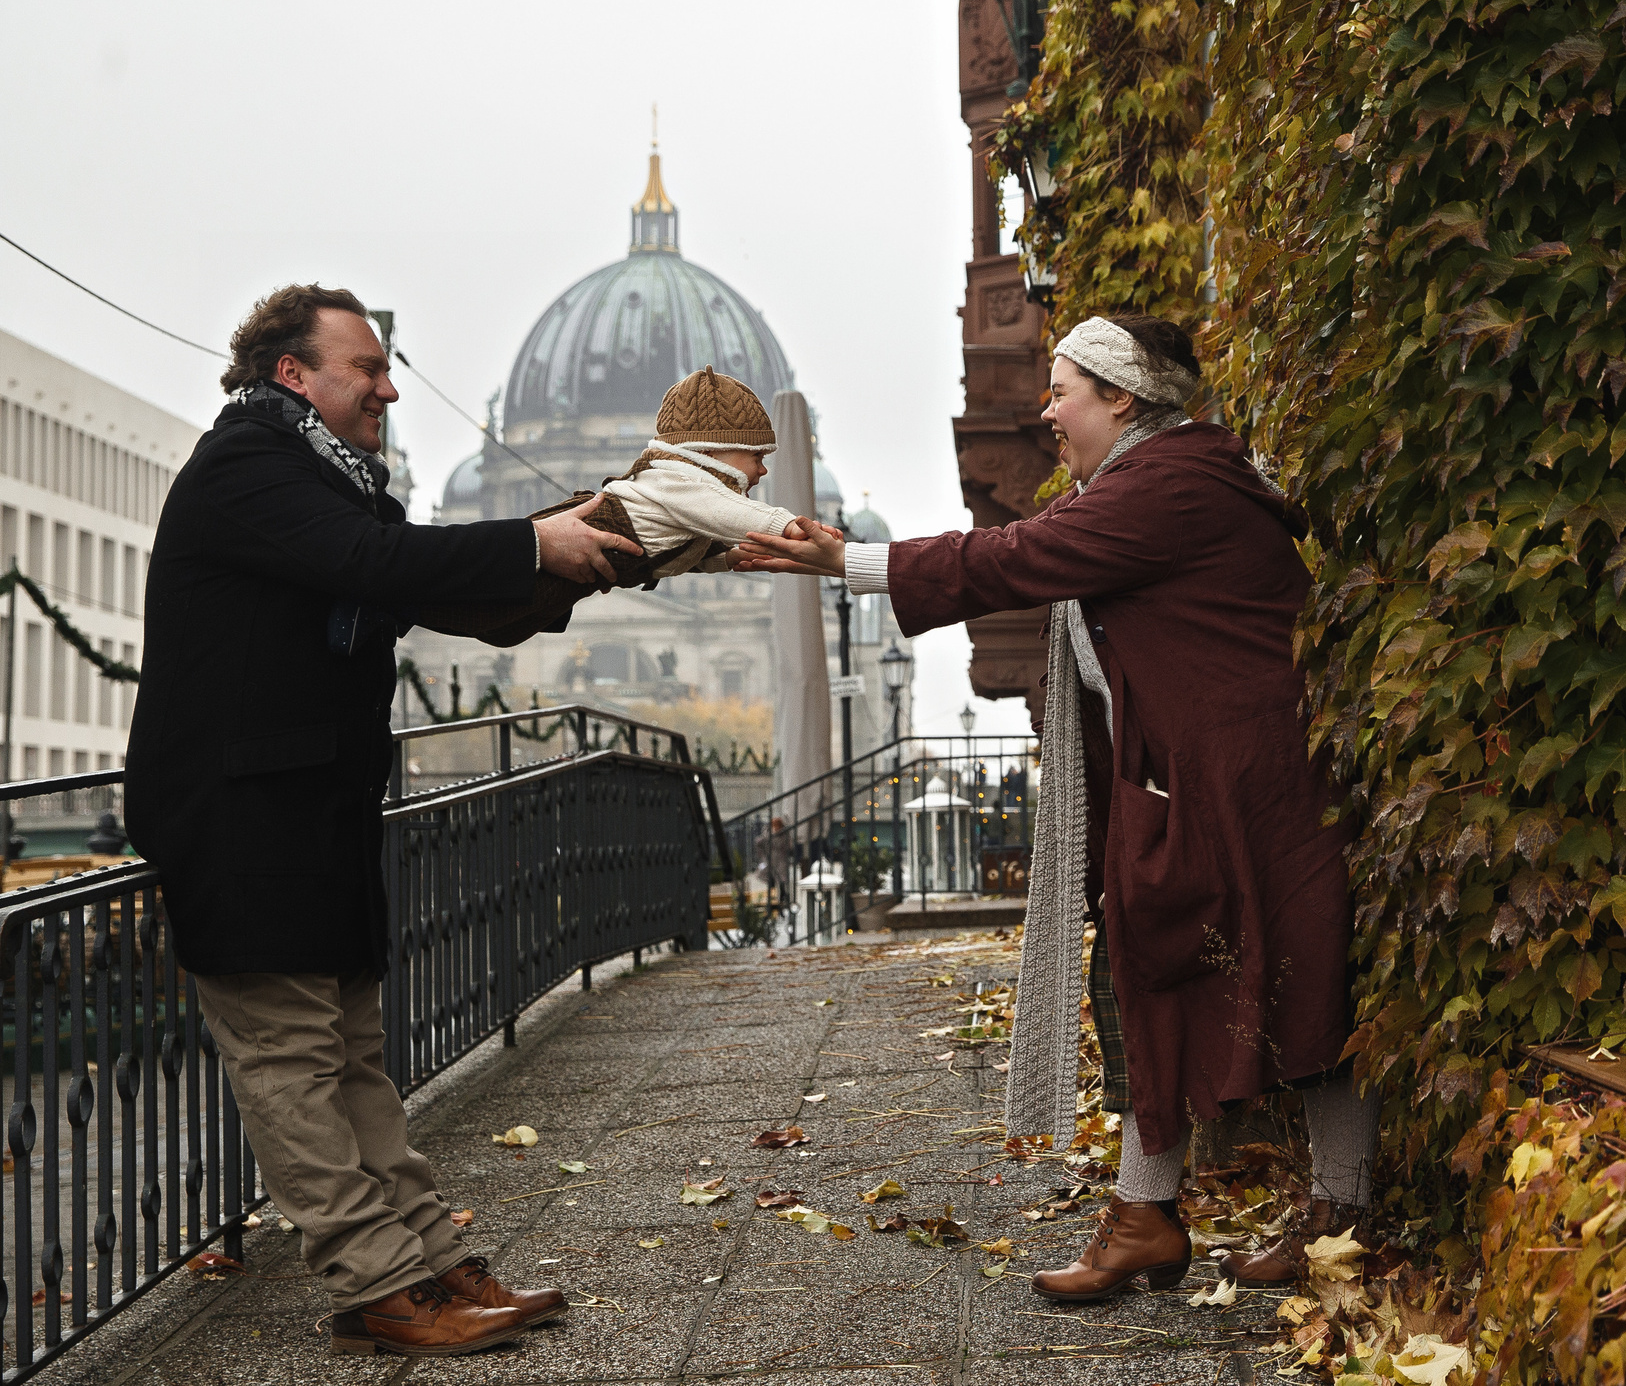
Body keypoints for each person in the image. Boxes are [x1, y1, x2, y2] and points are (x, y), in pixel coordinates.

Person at [736, 312, 1381, 1300]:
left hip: (1242, 788)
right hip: (1210, 783)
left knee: (1267, 982)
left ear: (1120, 399)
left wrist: (849, 563)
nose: (1045, 409)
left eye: (1062, 388)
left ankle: (1280, 1216)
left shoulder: (1165, 484)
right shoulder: (1164, 476)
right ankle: (1169, 1214)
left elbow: (1010, 558)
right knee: (1190, 979)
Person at [124, 285, 639, 1358]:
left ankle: (428, 1262)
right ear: (293, 375)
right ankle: (380, 1282)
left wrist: (601, 546)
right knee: (292, 1065)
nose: (389, 386)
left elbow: (440, 593)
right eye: (366, 368)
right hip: (239, 819)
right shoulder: (247, 470)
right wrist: (538, 540)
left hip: (308, 812)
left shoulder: (327, 478)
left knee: (353, 1056)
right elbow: (382, 568)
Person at [407, 366, 797, 645]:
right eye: (756, 456)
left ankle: (409, 600)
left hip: (584, 576)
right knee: (489, 599)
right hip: (570, 540)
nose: (762, 469)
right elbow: (741, 515)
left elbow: (681, 549)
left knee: (505, 622)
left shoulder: (685, 508)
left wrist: (725, 558)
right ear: (707, 452)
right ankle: (403, 600)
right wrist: (793, 527)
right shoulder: (684, 485)